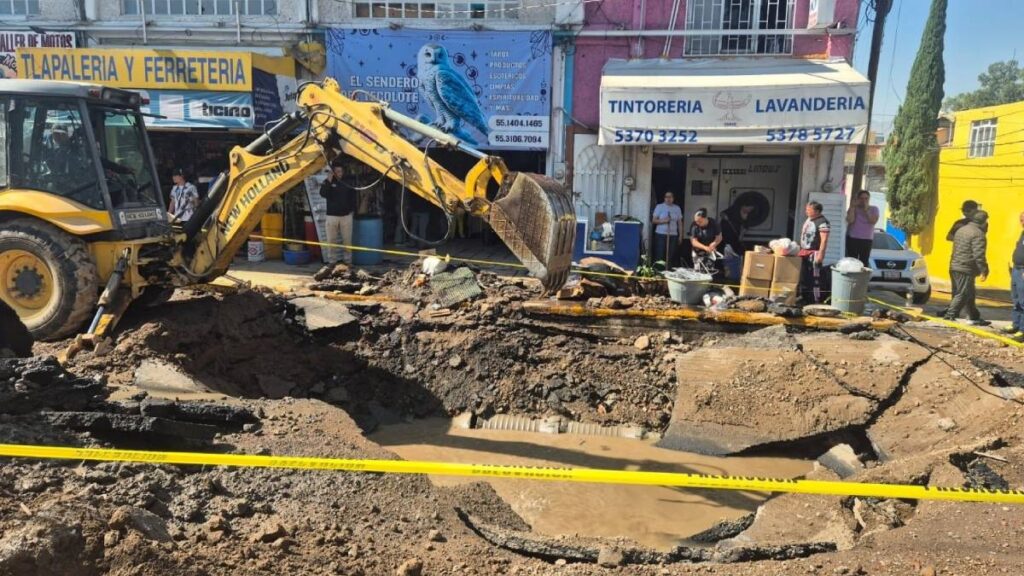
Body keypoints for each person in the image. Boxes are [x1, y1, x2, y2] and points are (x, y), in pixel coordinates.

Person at [945, 210, 990, 326]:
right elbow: (979, 255)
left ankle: (973, 316)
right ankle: (950, 316)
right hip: (965, 268)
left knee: (970, 292)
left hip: (954, 265)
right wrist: (984, 270)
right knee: (962, 293)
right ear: (983, 221)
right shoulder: (978, 234)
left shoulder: (961, 230)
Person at [319, 163, 357, 264]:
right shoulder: (328, 182)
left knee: (347, 241)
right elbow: (323, 193)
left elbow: (353, 197)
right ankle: (332, 261)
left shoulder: (347, 183)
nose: (338, 173)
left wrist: (352, 211)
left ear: (343, 172)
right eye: (336, 172)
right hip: (332, 216)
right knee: (331, 241)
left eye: (340, 171)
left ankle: (348, 262)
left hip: (346, 216)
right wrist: (329, 180)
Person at [798, 201, 831, 304]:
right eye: (806, 209)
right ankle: (804, 297)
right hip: (804, 251)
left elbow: (824, 240)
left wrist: (820, 255)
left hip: (814, 253)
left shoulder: (822, 222)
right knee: (804, 276)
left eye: (809, 210)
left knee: (814, 278)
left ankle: (815, 299)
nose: (806, 212)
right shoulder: (809, 219)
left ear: (817, 211)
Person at [720, 203, 754, 280]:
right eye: (749, 208)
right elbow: (722, 213)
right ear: (744, 206)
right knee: (727, 255)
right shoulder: (734, 209)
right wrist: (724, 216)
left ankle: (736, 276)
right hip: (726, 236)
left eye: (751, 210)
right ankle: (727, 275)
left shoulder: (748, 216)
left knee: (737, 257)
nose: (749, 211)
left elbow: (745, 229)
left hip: (736, 239)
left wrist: (740, 237)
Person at [845, 189, 879, 264]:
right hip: (853, 238)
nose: (864, 200)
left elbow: (873, 221)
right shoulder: (854, 208)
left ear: (869, 199)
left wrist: (866, 210)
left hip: (867, 239)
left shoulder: (874, 209)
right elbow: (850, 220)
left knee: (864, 261)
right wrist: (852, 207)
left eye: (866, 198)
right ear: (858, 199)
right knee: (852, 260)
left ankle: (862, 275)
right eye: (861, 198)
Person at [652, 191, 683, 268]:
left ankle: (668, 270)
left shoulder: (677, 208)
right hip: (660, 234)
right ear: (664, 198)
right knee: (660, 253)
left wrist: (680, 236)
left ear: (673, 198)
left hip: (673, 235)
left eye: (670, 197)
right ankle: (659, 271)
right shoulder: (659, 207)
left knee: (671, 254)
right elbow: (654, 220)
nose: (668, 199)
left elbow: (680, 223)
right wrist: (664, 221)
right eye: (666, 197)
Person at [1005, 211, 1024, 340]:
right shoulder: (1023, 233)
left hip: (1023, 270)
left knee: (1023, 301)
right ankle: (1015, 324)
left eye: (1023, 219)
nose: (1021, 222)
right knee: (1015, 299)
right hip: (1016, 269)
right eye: (1021, 219)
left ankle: (1022, 330)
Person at [690, 208, 723, 278]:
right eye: (696, 221)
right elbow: (694, 242)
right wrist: (705, 248)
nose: (697, 223)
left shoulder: (714, 223)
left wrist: (714, 243)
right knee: (697, 270)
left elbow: (719, 237)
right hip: (698, 250)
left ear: (705, 218)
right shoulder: (694, 225)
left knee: (709, 270)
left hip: (710, 250)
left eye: (700, 221)